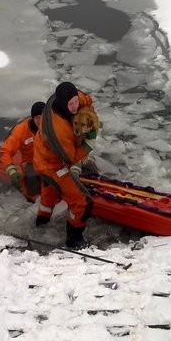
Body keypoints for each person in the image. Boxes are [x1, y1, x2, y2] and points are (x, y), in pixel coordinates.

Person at [33, 81, 98, 249]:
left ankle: (41, 223)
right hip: (52, 165)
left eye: (76, 101)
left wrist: (89, 115)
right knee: (82, 201)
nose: (75, 105)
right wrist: (89, 142)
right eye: (71, 104)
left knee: (49, 194)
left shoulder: (63, 98)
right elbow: (71, 158)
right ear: (63, 103)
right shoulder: (59, 129)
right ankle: (74, 239)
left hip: (42, 154)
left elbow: (86, 99)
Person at [0, 101, 45, 201]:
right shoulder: (20, 131)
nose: (40, 120)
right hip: (31, 163)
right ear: (33, 118)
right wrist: (11, 169)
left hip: (49, 159)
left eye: (43, 117)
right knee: (33, 189)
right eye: (37, 117)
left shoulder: (52, 126)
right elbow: (5, 151)